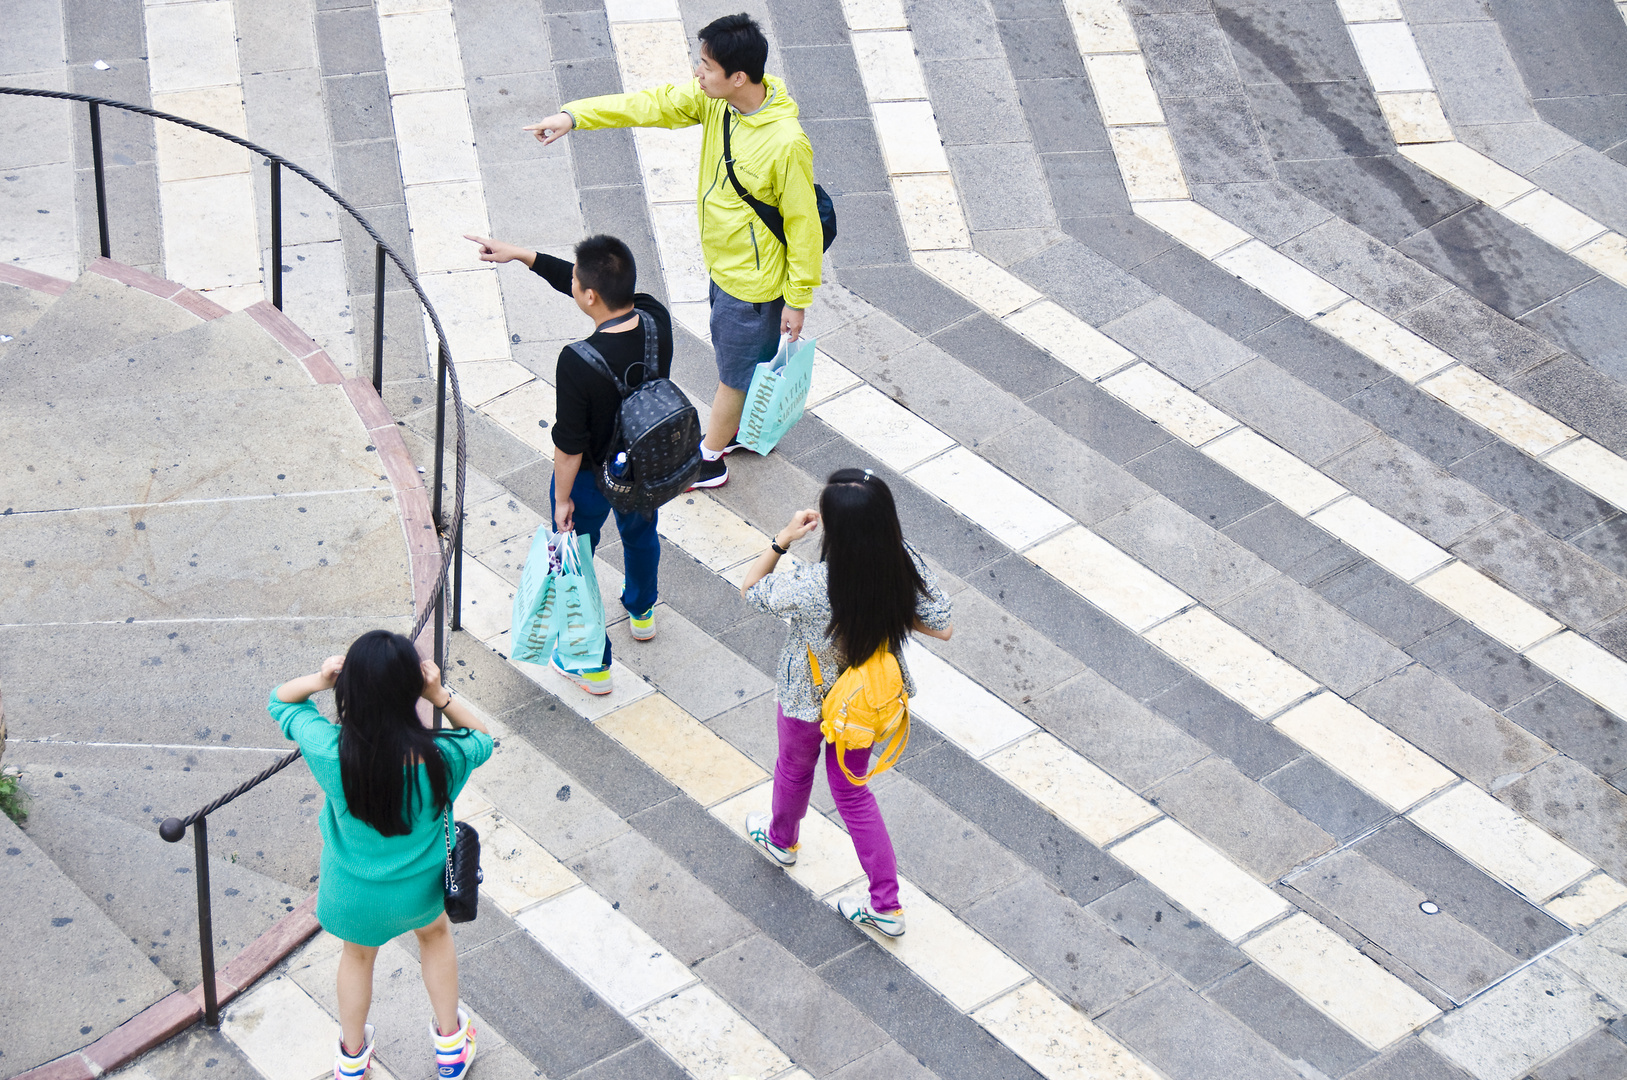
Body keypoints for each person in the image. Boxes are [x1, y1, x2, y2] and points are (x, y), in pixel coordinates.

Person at [526, 12, 822, 491]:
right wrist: (574, 116)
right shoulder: (720, 104)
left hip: (751, 283)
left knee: (733, 372)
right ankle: (740, 430)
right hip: (729, 265)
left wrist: (798, 297)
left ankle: (710, 459)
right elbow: (650, 105)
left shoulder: (785, 143)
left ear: (738, 77)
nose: (696, 74)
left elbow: (802, 224)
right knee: (746, 363)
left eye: (705, 66)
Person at [737, 469, 953, 937]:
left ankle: (782, 840)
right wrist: (881, 605)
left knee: (794, 768)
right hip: (862, 704)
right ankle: (886, 905)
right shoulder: (900, 562)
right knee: (853, 794)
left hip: (807, 695)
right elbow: (942, 623)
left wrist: (782, 540)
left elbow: (751, 589)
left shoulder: (817, 587)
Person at [268, 631, 492, 1080]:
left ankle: (351, 1061)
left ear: (348, 689)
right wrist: (439, 695)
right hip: (420, 889)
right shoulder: (442, 758)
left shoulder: (331, 751)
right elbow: (481, 737)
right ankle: (450, 1049)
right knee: (435, 938)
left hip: (352, 893)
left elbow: (281, 703)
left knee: (357, 958)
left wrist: (320, 678)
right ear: (413, 689)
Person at [467, 232, 672, 695]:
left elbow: (569, 444)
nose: (573, 283)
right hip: (643, 464)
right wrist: (523, 254)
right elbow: (583, 282)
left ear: (590, 295)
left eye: (578, 281)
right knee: (640, 535)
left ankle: (592, 664)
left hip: (590, 480)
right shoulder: (654, 317)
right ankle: (642, 611)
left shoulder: (577, 361)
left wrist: (561, 498)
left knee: (574, 559)